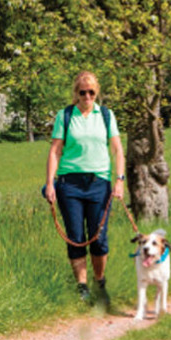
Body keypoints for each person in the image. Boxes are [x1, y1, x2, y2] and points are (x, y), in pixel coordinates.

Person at [43, 70, 126, 306]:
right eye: (82, 92)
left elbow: (118, 150)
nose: (87, 96)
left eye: (91, 92)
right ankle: (82, 286)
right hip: (70, 184)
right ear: (76, 93)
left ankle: (100, 281)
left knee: (99, 238)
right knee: (76, 237)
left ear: (96, 92)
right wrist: (50, 183)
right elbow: (55, 151)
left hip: (99, 183)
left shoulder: (106, 115)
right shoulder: (66, 115)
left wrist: (119, 180)